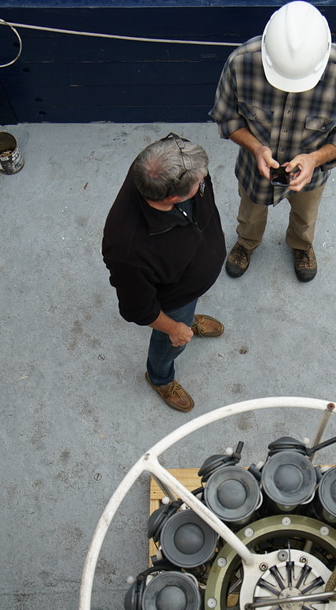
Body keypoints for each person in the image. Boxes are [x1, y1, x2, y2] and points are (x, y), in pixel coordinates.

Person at [209, 0, 336, 283]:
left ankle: (301, 246)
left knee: (306, 217)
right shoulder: (240, 63)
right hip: (254, 169)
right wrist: (257, 148)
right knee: (249, 214)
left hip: (312, 175)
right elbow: (226, 118)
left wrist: (314, 159)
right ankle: (246, 242)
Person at [102, 134, 226, 412]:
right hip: (174, 300)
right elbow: (138, 309)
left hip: (191, 278)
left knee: (187, 311)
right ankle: (159, 377)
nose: (204, 179)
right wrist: (175, 328)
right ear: (173, 197)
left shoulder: (167, 158)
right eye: (199, 181)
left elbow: (201, 189)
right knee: (170, 343)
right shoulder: (129, 250)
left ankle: (189, 318)